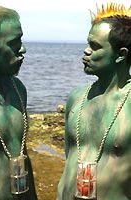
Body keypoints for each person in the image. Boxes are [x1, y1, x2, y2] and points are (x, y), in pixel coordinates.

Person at [57, 3, 131, 200]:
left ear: (121, 55)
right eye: (88, 43)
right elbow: (69, 155)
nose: (86, 51)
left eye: (95, 46)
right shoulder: (77, 97)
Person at [0, 4, 38, 200]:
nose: (22, 49)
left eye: (20, 40)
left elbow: (23, 156)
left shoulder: (18, 89)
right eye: (13, 43)